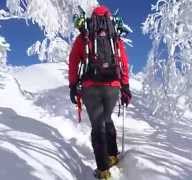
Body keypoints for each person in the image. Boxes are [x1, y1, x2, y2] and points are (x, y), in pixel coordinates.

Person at [68, 5, 132, 179]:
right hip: (113, 87)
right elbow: (123, 62)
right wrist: (125, 87)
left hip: (91, 88)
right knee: (107, 119)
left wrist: (73, 85)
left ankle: (103, 170)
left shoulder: (85, 35)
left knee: (98, 125)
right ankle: (112, 155)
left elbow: (73, 61)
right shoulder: (114, 37)